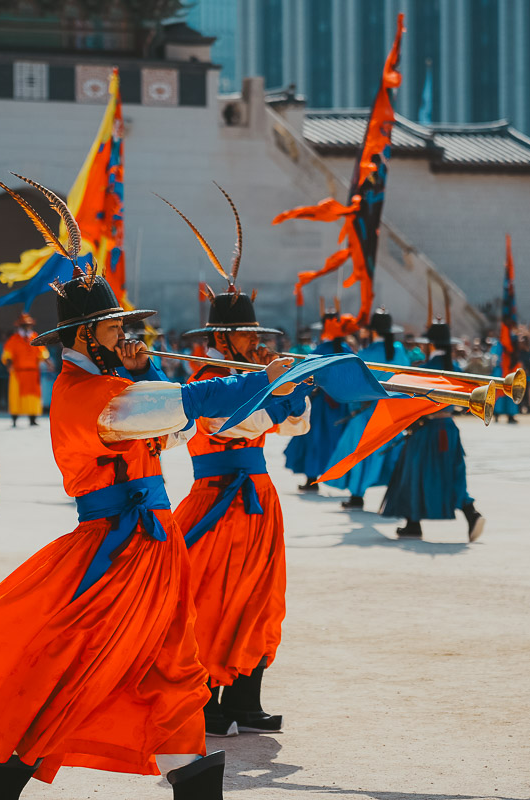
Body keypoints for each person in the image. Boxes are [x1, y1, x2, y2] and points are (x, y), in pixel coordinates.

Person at [0, 166, 300, 799]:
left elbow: (175, 423)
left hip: (154, 550)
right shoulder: (87, 396)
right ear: (81, 335)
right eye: (111, 328)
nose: (123, 335)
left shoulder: (112, 386)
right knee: (70, 670)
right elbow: (176, 407)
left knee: (173, 672)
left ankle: (190, 776)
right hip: (114, 552)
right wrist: (256, 380)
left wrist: (247, 385)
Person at [164, 189, 311, 737]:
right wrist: (277, 388)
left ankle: (246, 698)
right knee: (211, 601)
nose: (255, 341)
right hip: (215, 503)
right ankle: (206, 701)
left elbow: (296, 425)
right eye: (247, 335)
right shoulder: (203, 384)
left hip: (258, 500)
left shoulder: (258, 377)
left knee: (261, 596)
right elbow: (242, 423)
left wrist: (290, 387)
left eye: (256, 335)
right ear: (224, 338)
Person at [381, 310, 485, 542]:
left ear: (429, 344)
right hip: (449, 427)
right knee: (452, 474)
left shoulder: (426, 368)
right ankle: (470, 512)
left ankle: (413, 523)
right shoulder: (456, 369)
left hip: (426, 430)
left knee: (413, 475)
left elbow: (412, 402)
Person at [328, 309, 409, 508]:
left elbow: (356, 386)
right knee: (394, 454)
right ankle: (398, 495)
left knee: (358, 451)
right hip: (392, 411)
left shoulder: (365, 354)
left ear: (373, 331)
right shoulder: (399, 351)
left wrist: (353, 406)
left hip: (367, 410)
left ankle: (357, 495)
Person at [283, 299, 356, 491]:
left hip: (323, 401)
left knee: (315, 438)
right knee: (336, 439)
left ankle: (312, 479)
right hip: (342, 402)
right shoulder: (347, 350)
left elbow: (306, 373)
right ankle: (338, 477)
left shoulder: (322, 350)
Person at [2, 313, 49, 426]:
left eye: (28, 325)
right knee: (16, 396)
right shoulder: (14, 339)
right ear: (19, 326)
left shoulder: (35, 337)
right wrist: (9, 364)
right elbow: (8, 354)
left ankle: (32, 419)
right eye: (23, 325)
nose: (26, 327)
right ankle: (14, 419)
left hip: (32, 373)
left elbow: (42, 352)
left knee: (33, 397)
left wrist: (48, 362)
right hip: (18, 373)